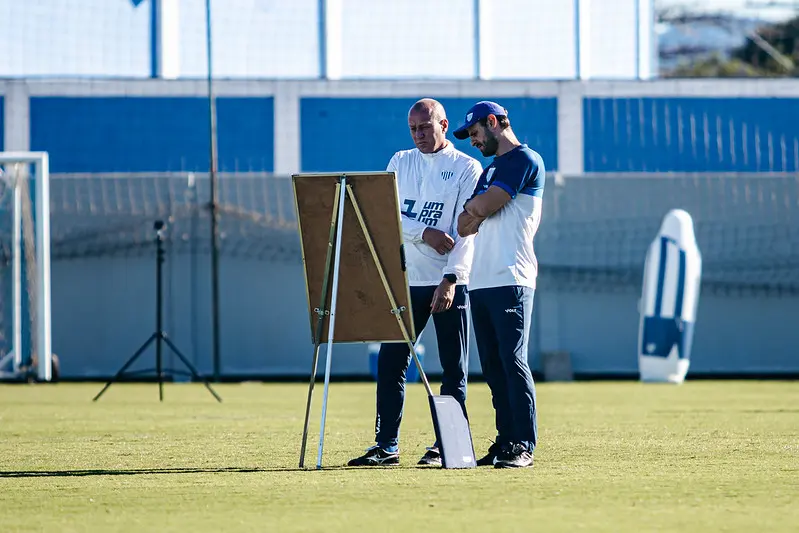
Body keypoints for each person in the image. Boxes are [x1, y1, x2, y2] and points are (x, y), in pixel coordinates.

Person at [348, 98, 482, 467]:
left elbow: (466, 232)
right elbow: (387, 216)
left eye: (425, 127)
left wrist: (452, 278)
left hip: (448, 282)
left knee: (453, 367)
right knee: (391, 364)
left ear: (443, 124)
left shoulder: (466, 167)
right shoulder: (400, 161)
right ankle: (386, 446)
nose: (419, 135)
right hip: (405, 281)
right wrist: (425, 232)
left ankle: (445, 446)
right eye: (413, 129)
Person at [453, 101, 546, 469]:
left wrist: (478, 208)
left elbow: (487, 205)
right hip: (480, 281)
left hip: (512, 277)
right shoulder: (489, 169)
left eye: (475, 133)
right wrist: (477, 208)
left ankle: (523, 444)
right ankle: (505, 441)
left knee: (512, 360)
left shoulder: (524, 159)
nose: (473, 141)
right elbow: (463, 225)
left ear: (493, 124)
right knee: (492, 366)